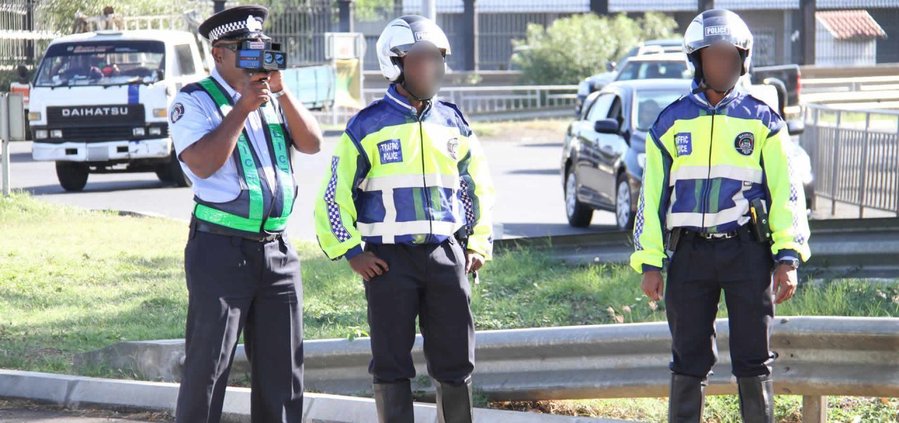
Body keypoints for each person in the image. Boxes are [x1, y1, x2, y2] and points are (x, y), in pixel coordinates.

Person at [630, 9, 811, 423]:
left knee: (753, 357)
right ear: (697, 60)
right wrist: (650, 263)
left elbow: (788, 194)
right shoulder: (670, 122)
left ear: (742, 60)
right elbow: (651, 199)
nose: (722, 64)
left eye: (730, 56)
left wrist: (787, 258)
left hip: (746, 251)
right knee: (687, 358)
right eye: (713, 56)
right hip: (689, 255)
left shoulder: (763, 120)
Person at [313, 15, 495, 423]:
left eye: (438, 58)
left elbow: (477, 186)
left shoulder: (453, 121)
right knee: (391, 362)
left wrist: (477, 243)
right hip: (388, 262)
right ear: (395, 64)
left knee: (455, 361)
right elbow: (333, 195)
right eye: (423, 58)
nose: (434, 67)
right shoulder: (367, 125)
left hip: (446, 256)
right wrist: (351, 251)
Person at [168, 5, 322, 422]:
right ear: (218, 54)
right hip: (221, 250)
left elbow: (312, 143)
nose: (258, 54)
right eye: (246, 48)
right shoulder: (195, 100)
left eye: (261, 45)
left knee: (283, 372)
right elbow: (202, 164)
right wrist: (242, 108)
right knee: (208, 368)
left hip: (277, 252)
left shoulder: (272, 96)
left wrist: (282, 93)